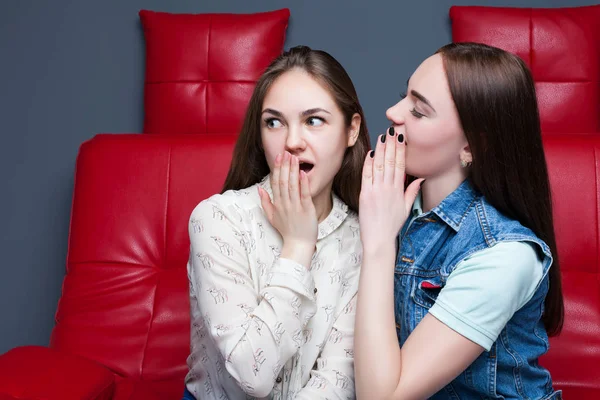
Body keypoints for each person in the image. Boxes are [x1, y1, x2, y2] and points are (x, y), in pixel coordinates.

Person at [354, 42, 564, 400]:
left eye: (419, 111)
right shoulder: (394, 210)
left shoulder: (506, 256)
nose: (392, 112)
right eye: (403, 96)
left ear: (471, 147)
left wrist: (377, 245)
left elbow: (381, 397)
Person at [183, 45, 370, 399]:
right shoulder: (217, 219)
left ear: (351, 130)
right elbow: (253, 374)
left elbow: (337, 381)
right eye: (274, 122)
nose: (292, 142)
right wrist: (298, 247)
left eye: (314, 120)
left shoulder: (364, 238)